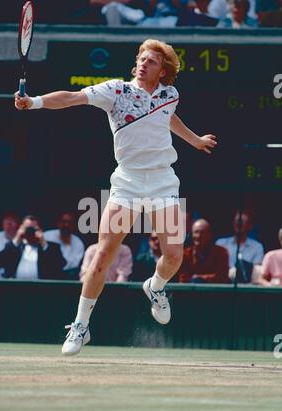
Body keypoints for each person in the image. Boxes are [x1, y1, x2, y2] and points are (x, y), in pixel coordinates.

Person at [15, 39, 217, 356]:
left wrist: (194, 140)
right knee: (104, 255)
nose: (142, 64)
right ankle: (80, 326)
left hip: (163, 180)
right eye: (140, 59)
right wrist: (35, 102)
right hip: (127, 182)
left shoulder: (170, 95)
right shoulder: (116, 91)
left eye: (150, 61)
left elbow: (168, 117)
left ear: (162, 70)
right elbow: (71, 98)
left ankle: (156, 287)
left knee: (175, 256)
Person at [0, 215, 66, 280]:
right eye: (27, 229)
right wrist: (17, 239)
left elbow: (60, 264)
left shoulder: (51, 247)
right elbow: (0, 262)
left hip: (42, 289)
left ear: (40, 230)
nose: (30, 232)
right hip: (15, 288)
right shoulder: (13, 247)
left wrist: (43, 243)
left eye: (33, 229)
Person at [216, 211, 264, 282]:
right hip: (222, 284)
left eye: (242, 222)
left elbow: (256, 272)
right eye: (237, 221)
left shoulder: (257, 247)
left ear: (250, 226)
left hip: (246, 286)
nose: (239, 224)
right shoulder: (220, 243)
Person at [177, 219, 229, 283]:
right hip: (191, 291)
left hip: (214, 291)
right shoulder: (184, 254)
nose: (198, 236)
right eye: (196, 232)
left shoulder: (221, 252)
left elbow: (222, 277)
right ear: (191, 235)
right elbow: (183, 279)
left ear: (209, 235)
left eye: (202, 232)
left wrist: (199, 278)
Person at [44, 212, 85, 280]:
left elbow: (72, 266)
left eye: (69, 222)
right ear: (58, 223)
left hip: (67, 278)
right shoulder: (46, 236)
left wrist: (67, 244)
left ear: (74, 225)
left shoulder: (78, 243)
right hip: (47, 276)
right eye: (64, 222)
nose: (66, 225)